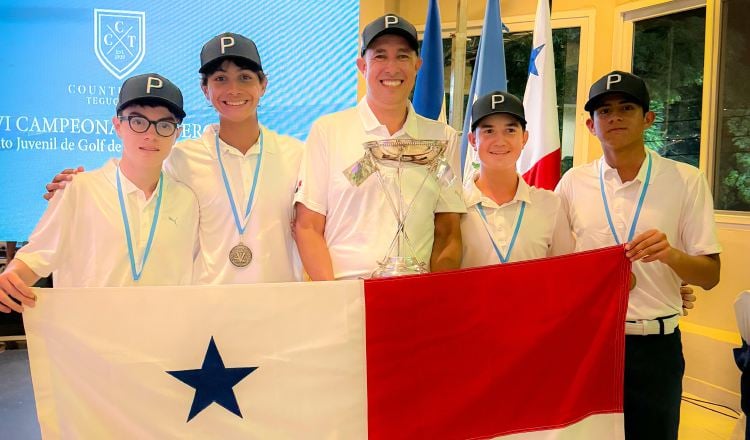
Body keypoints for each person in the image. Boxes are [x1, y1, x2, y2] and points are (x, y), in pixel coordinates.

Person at [44, 33, 304, 284]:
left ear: (263, 85)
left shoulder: (297, 155)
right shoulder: (180, 158)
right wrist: (77, 189)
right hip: (205, 311)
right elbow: (135, 193)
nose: (233, 89)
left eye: (245, 77)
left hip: (278, 302)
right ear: (205, 90)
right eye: (221, 78)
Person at [556, 70, 722, 439]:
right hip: (591, 343)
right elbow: (557, 265)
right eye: (604, 111)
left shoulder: (686, 180)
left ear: (648, 118)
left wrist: (671, 257)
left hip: (654, 346)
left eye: (626, 107)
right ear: (590, 125)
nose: (614, 117)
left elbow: (710, 276)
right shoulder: (572, 183)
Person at [0, 74, 198, 313]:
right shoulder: (79, 189)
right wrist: (10, 278)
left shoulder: (187, 200)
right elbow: (35, 258)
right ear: (118, 125)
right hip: (91, 343)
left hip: (163, 342)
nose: (151, 134)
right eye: (138, 121)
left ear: (177, 133)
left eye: (164, 125)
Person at [293, 14, 465, 280]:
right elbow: (308, 227)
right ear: (362, 66)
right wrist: (335, 297)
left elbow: (448, 230)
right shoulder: (328, 131)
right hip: (348, 297)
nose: (392, 67)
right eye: (380, 56)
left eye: (403, 56)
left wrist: (436, 296)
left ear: (418, 65)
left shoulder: (442, 138)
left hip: (416, 297)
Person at [460, 91, 574, 267]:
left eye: (510, 130)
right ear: (472, 140)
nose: (500, 141)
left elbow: (566, 272)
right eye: (489, 131)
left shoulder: (550, 205)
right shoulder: (454, 204)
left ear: (524, 138)